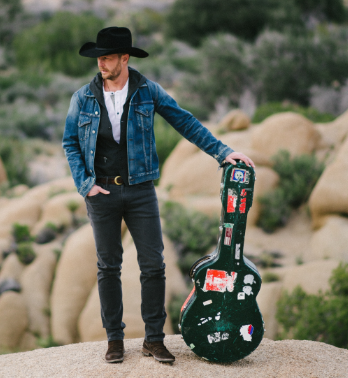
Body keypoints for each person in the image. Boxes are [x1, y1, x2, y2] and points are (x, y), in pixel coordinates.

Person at [62, 26, 255, 364]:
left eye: (107, 58)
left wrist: (222, 151)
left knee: (153, 265)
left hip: (141, 191)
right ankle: (114, 340)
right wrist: (85, 184)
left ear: (124, 58)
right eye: (99, 58)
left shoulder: (147, 91)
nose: (101, 64)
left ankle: (154, 339)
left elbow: (185, 122)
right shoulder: (83, 97)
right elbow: (70, 143)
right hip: (102, 192)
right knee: (108, 266)